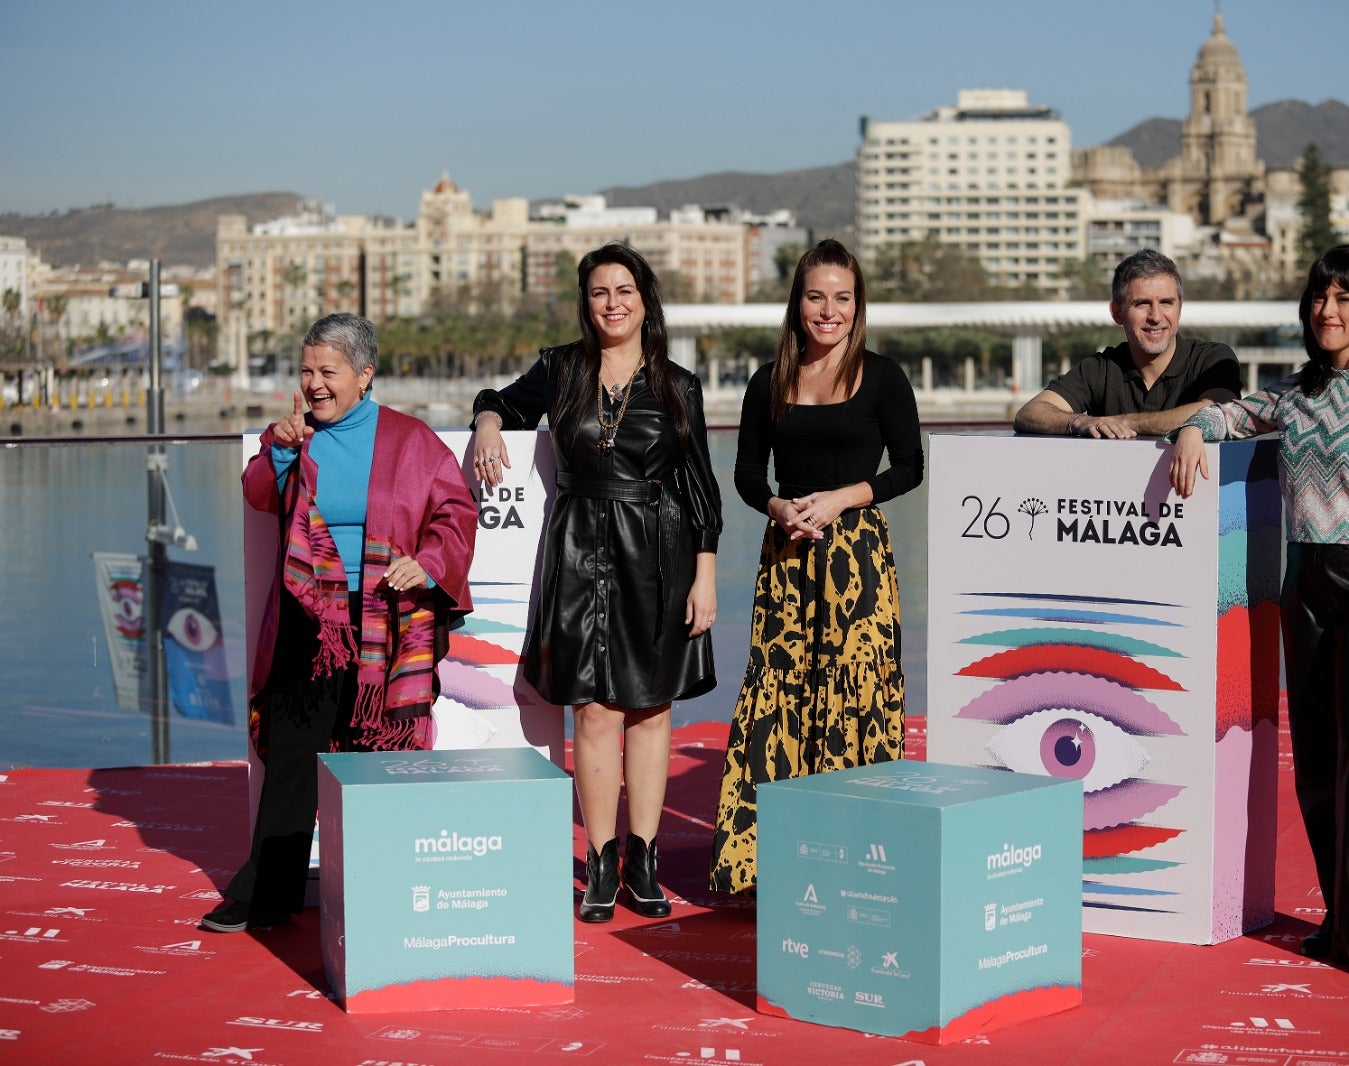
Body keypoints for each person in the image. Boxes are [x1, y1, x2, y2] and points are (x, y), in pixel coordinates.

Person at [1169, 245, 1349, 979]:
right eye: (1320, 296)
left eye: (1345, 298)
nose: (1328, 309)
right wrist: (1194, 428)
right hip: (1305, 593)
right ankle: (1332, 914)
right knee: (1317, 768)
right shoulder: (1294, 394)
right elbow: (1230, 414)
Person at [202, 313, 478, 933]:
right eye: (306, 372)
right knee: (296, 759)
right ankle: (267, 896)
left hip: (386, 619)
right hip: (311, 619)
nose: (314, 384)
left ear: (365, 375)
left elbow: (456, 513)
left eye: (328, 372)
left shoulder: (411, 441)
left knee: (377, 757)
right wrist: (278, 447)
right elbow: (258, 493)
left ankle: (383, 892)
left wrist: (426, 564)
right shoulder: (296, 438)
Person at [470, 243, 721, 923]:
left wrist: (706, 575)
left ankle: (646, 863)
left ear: (645, 299)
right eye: (598, 292)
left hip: (659, 551)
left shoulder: (679, 384)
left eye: (624, 290)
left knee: (650, 707)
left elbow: (701, 487)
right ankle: (601, 867)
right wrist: (489, 425)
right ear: (586, 303)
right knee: (593, 710)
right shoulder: (560, 369)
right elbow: (499, 400)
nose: (612, 303)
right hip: (579, 548)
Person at [709, 238, 924, 896]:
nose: (827, 310)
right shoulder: (768, 381)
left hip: (857, 555)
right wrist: (779, 507)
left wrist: (840, 499)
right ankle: (765, 869)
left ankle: (860, 856)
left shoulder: (883, 376)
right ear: (797, 302)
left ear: (858, 305)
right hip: (789, 559)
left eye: (841, 297)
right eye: (815, 296)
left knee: (854, 697)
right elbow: (747, 474)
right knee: (779, 701)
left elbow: (911, 467)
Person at [1013, 248, 1242, 438]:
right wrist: (1080, 421)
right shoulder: (1101, 368)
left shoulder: (1213, 359)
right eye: (1142, 304)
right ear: (1117, 312)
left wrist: (1122, 422)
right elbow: (1030, 412)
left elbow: (1220, 412)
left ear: (1180, 308)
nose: (1156, 316)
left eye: (1166, 302)